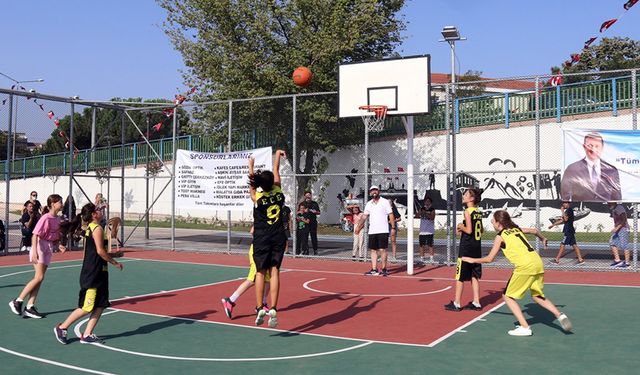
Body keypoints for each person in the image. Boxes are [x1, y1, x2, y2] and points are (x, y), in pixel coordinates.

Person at [462, 210, 573, 337]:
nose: (492, 222)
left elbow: (489, 259)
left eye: (493, 220)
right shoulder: (516, 229)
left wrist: (472, 260)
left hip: (525, 266)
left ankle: (525, 327)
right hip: (537, 262)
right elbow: (534, 231)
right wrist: (543, 238)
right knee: (537, 296)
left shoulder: (500, 236)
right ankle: (559, 315)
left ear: (499, 223)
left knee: (507, 296)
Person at [53, 202, 124, 345]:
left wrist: (114, 255)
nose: (101, 211)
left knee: (101, 305)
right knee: (87, 307)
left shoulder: (93, 228)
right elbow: (99, 251)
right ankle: (62, 327)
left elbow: (97, 251)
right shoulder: (96, 228)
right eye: (98, 209)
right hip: (92, 273)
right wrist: (114, 263)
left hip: (100, 272)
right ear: (93, 215)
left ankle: (87, 334)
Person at [9, 194, 66, 319]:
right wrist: (34, 251)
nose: (62, 204)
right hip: (39, 246)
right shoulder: (45, 217)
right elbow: (35, 235)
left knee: (40, 278)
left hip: (48, 247)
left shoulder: (57, 219)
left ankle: (30, 306)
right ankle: (17, 301)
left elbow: (54, 237)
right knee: (39, 277)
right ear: (53, 204)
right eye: (60, 202)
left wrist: (59, 245)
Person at [248, 149, 287, 328]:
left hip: (262, 238)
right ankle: (273, 307)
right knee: (275, 272)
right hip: (278, 236)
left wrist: (250, 166)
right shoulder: (279, 192)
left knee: (260, 273)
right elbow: (276, 169)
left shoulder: (258, 198)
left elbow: (252, 186)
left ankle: (259, 307)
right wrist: (277, 154)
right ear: (273, 182)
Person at [445, 187, 483, 312]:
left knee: (460, 276)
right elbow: (480, 230)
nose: (463, 196)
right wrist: (464, 228)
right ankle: (476, 302)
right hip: (476, 247)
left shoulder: (468, 211)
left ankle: (457, 303)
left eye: (466, 194)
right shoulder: (478, 211)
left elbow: (470, 230)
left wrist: (461, 226)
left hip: (466, 247)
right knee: (474, 275)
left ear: (471, 198)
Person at [221, 226, 270, 319]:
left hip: (267, 251)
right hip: (258, 250)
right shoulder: (262, 216)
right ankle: (230, 300)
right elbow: (252, 231)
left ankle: (262, 303)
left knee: (268, 279)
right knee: (253, 279)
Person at [560, 132, 621, 202]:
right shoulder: (572, 169)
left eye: (597, 146)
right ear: (584, 147)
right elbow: (565, 196)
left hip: (605, 211)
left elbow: (617, 198)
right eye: (590, 146)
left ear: (602, 147)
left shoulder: (611, 170)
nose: (593, 149)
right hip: (581, 211)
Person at [355, 185, 395, 277]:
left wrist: (393, 228)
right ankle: (374, 269)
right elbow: (364, 216)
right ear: (370, 192)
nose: (374, 192)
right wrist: (358, 226)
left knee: (382, 250)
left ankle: (384, 269)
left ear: (378, 191)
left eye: (375, 190)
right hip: (372, 231)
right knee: (373, 250)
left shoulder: (385, 202)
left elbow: (391, 214)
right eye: (372, 190)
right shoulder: (369, 204)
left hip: (383, 230)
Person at [608, 202, 630, 268]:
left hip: (623, 228)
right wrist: (616, 228)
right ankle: (618, 260)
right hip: (618, 229)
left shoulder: (619, 208)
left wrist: (617, 228)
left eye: (609, 203)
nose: (608, 205)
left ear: (614, 202)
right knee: (612, 243)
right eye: (607, 203)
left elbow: (624, 220)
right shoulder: (614, 209)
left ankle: (627, 263)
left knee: (624, 245)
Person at [417, 197, 436, 263]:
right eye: (426, 201)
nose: (427, 203)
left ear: (431, 203)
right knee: (421, 245)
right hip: (422, 231)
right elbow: (416, 215)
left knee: (430, 245)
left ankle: (431, 258)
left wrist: (425, 213)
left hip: (429, 231)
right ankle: (422, 257)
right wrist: (420, 213)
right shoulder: (422, 209)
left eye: (428, 202)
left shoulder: (432, 209)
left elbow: (432, 217)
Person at [302, 191, 321, 255]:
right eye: (307, 196)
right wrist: (304, 211)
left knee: (314, 237)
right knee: (305, 237)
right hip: (305, 222)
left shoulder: (314, 203)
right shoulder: (302, 204)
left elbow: (319, 212)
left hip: (313, 223)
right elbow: (298, 212)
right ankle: (305, 250)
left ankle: (315, 250)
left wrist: (314, 211)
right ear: (305, 196)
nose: (308, 197)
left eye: (309, 196)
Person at [389, 198, 402, 263]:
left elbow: (399, 218)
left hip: (392, 226)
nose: (388, 203)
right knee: (383, 241)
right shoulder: (384, 209)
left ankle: (394, 256)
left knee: (393, 241)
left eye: (390, 202)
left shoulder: (393, 209)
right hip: (384, 226)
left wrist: (393, 221)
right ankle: (384, 256)